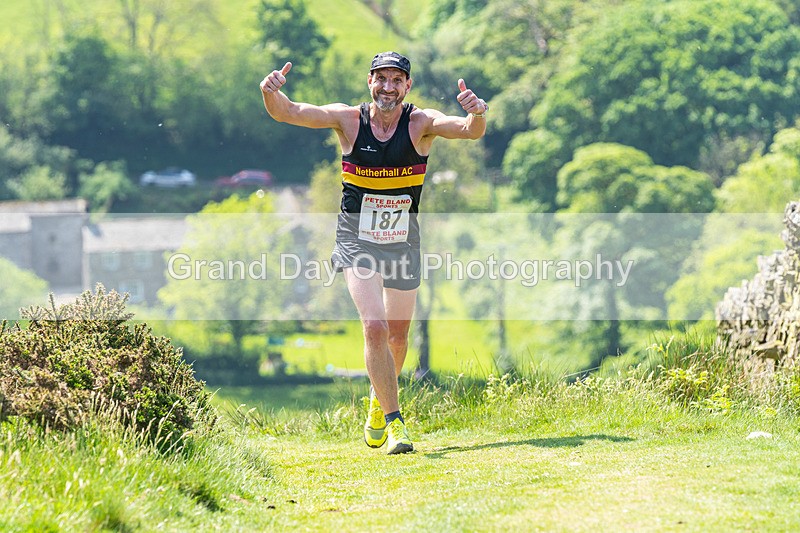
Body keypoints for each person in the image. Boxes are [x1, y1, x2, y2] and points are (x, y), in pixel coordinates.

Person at [260, 51, 487, 454]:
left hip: (403, 241)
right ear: (370, 82)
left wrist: (477, 112)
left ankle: (377, 406)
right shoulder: (348, 120)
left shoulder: (421, 124)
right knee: (375, 328)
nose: (388, 87)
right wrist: (270, 92)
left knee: (398, 336)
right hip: (356, 238)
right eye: (380, 78)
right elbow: (290, 112)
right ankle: (397, 423)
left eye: (396, 79)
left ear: (407, 86)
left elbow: (469, 131)